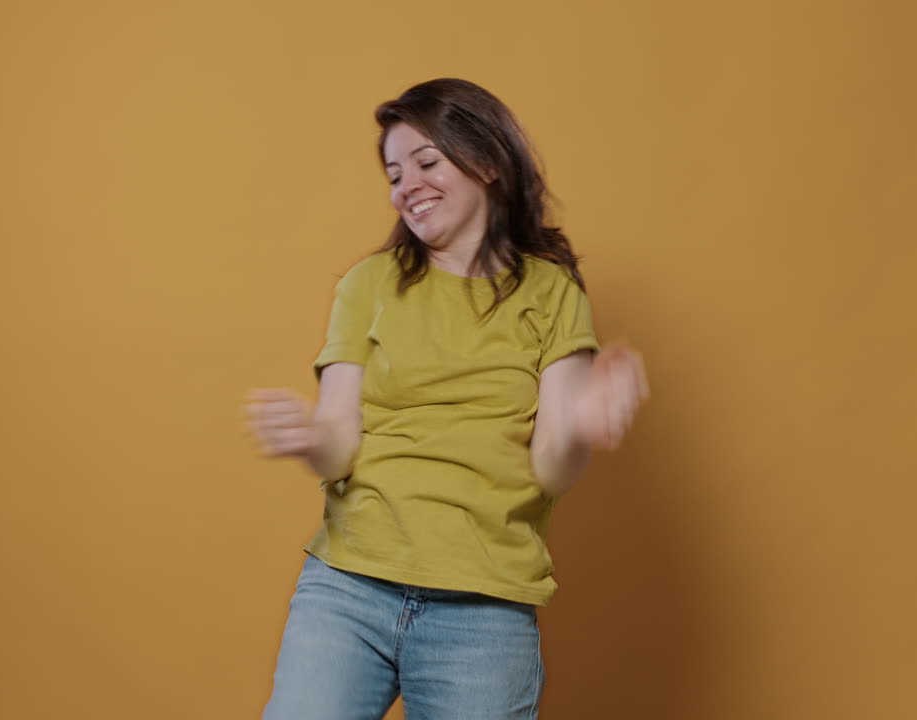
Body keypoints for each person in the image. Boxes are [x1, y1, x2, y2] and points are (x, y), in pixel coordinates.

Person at [246, 78, 649, 720]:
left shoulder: (552, 294)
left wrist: (581, 425)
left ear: (487, 162)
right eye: (394, 173)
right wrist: (309, 437)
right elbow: (339, 445)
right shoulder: (368, 284)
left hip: (483, 610)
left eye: (427, 162)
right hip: (349, 588)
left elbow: (551, 467)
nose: (405, 185)